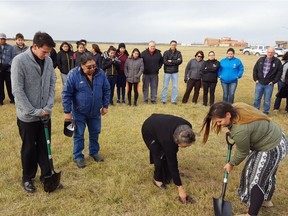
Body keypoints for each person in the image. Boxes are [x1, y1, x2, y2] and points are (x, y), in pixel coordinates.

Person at [201, 102, 288, 216]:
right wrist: (231, 128)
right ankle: (265, 200)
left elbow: (243, 152)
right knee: (254, 171)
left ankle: (251, 214)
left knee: (256, 179)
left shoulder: (240, 130)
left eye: (219, 121)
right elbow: (244, 128)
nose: (219, 124)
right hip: (277, 137)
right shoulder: (236, 107)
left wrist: (231, 163)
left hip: (271, 147)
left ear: (228, 114)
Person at [11, 32, 58, 193]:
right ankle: (27, 177)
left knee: (45, 146)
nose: (47, 55)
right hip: (28, 117)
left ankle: (46, 175)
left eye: (49, 52)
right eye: (44, 51)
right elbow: (17, 90)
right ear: (35, 46)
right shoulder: (19, 61)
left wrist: (48, 106)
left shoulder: (49, 60)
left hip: (45, 114)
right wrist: (34, 111)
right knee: (29, 147)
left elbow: (52, 83)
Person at [62, 53, 110, 168]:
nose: (93, 69)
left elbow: (106, 89)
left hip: (95, 112)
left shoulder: (101, 73)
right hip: (78, 112)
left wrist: (105, 105)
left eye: (94, 66)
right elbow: (66, 94)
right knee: (79, 134)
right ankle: (78, 156)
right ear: (82, 66)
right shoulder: (73, 75)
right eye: (89, 67)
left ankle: (94, 152)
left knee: (95, 132)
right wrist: (67, 112)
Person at [142, 114, 196, 204]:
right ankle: (157, 179)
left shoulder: (188, 127)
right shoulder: (167, 141)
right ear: (176, 141)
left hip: (161, 128)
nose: (187, 147)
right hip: (149, 130)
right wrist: (180, 188)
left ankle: (169, 174)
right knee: (159, 155)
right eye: (185, 146)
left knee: (169, 154)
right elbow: (173, 163)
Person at [253, 47, 283, 115]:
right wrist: (255, 79)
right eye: (269, 52)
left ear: (274, 53)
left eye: (272, 52)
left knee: (267, 100)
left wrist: (274, 81)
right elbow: (255, 69)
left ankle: (265, 112)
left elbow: (279, 72)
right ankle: (255, 111)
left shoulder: (277, 61)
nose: (270, 54)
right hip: (259, 83)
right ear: (266, 52)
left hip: (269, 84)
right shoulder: (260, 59)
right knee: (257, 98)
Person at [161, 40, 183, 105]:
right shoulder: (166, 53)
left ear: (176, 45)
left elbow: (180, 61)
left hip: (175, 72)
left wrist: (171, 61)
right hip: (167, 72)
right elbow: (165, 62)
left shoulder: (178, 53)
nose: (173, 46)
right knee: (165, 86)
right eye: (172, 45)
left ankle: (173, 100)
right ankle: (164, 99)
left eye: (175, 45)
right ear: (170, 45)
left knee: (175, 86)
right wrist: (175, 62)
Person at [0, 32, 14, 106]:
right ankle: (1, 99)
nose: (3, 40)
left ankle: (12, 98)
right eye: (1, 39)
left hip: (8, 69)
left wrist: (8, 65)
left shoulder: (10, 47)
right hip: (0, 70)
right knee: (0, 85)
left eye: (4, 39)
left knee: (9, 84)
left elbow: (13, 57)